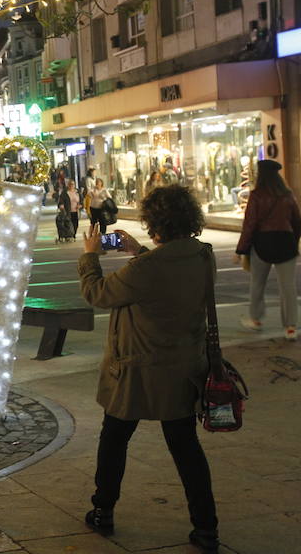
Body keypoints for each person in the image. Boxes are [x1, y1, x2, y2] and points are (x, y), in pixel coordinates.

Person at [78, 185, 219, 554]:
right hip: (183, 370)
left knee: (114, 439)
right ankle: (206, 528)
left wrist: (90, 256)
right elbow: (166, 279)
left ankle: (103, 509)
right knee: (186, 448)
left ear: (155, 223)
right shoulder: (202, 255)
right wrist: (137, 250)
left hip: (137, 372)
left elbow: (97, 293)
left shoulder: (145, 269)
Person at [234, 159, 301, 341]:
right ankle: (290, 327)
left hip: (263, 242)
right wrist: (293, 242)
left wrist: (241, 249)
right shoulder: (287, 195)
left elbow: (250, 224)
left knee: (257, 283)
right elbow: (297, 221)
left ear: (261, 175)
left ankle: (256, 319)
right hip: (285, 241)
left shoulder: (256, 195)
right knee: (288, 287)